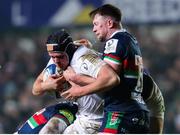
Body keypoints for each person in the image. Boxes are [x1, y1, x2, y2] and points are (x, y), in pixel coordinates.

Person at [61, 4, 150, 134]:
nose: (94, 29)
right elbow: (117, 72)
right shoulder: (130, 40)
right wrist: (94, 53)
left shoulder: (113, 42)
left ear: (109, 23)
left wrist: (78, 86)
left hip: (121, 112)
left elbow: (109, 80)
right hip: (138, 111)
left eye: (96, 24)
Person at [16, 29, 120, 134]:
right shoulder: (57, 57)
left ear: (69, 51)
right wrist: (46, 86)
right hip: (77, 114)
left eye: (60, 57)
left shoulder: (84, 59)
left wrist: (76, 83)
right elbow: (36, 89)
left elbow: (112, 79)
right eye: (52, 57)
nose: (56, 61)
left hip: (94, 123)